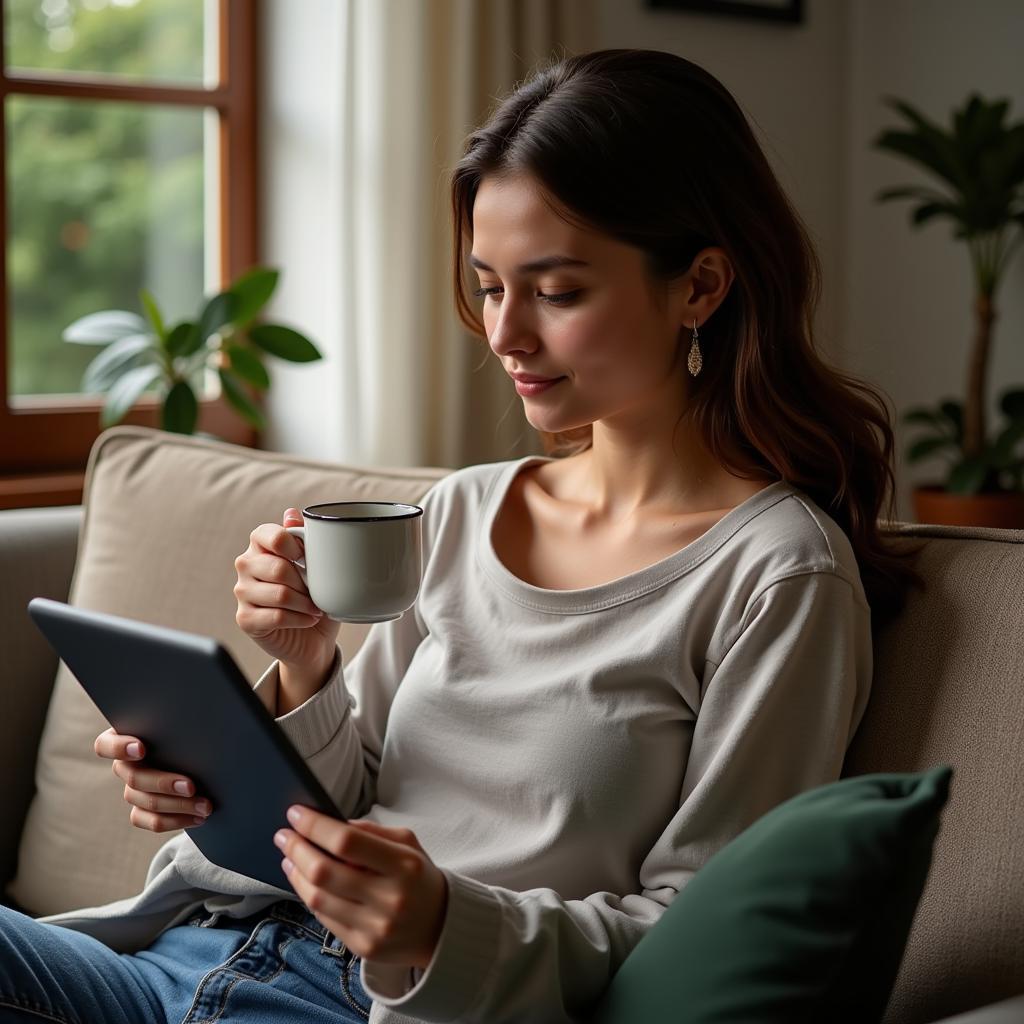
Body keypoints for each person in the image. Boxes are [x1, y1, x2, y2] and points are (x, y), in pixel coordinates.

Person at [0, 48, 922, 1024]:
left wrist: (444, 924)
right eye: (489, 286)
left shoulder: (776, 576)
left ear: (699, 287)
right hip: (194, 952)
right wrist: (305, 671)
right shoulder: (463, 511)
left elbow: (700, 932)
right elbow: (347, 802)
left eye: (556, 292)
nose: (505, 334)